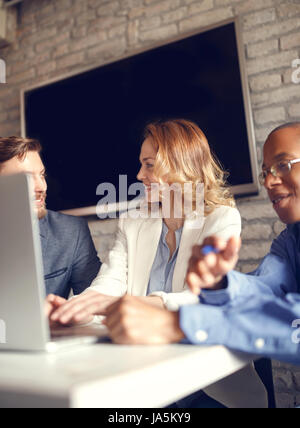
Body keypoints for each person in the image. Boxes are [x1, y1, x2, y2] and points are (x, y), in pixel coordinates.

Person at [49, 119, 267, 408]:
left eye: (149, 165)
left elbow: (205, 298)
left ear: (179, 165)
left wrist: (144, 304)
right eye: (142, 165)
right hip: (146, 378)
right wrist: (79, 306)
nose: (140, 175)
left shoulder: (221, 219)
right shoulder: (133, 220)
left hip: (208, 386)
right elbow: (111, 279)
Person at [102, 122, 300, 368]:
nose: (269, 182)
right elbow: (265, 290)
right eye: (265, 172)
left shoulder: (221, 217)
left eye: (283, 165)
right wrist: (218, 282)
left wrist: (177, 322)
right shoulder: (290, 240)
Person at [0, 136, 101, 298]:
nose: (42, 187)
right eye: (26, 178)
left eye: (42, 175)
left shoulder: (71, 232)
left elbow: (95, 305)